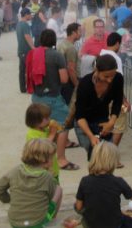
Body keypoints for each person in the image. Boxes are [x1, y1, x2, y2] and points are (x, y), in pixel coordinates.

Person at [27, 29, 78, 172]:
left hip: (36, 96)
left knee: (42, 126)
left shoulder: (33, 54)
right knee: (63, 125)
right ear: (53, 40)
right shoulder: (56, 56)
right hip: (52, 97)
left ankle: (40, 156)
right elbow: (64, 79)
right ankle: (61, 159)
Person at [0, 138, 63, 228]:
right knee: (58, 189)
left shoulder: (16, 170)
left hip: (15, 222)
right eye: (52, 157)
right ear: (45, 160)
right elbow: (50, 197)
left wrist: (9, 200)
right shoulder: (47, 177)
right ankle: (52, 217)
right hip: (37, 223)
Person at [75, 141, 132, 228]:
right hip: (114, 224)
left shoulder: (85, 181)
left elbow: (79, 207)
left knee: (80, 207)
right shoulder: (118, 181)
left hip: (91, 225)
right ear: (114, 161)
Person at [74, 54, 124, 159]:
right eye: (106, 76)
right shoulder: (85, 84)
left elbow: (117, 102)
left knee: (105, 156)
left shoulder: (118, 78)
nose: (110, 80)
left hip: (102, 120)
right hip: (84, 123)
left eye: (112, 75)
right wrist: (91, 136)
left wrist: (111, 122)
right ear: (97, 70)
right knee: (94, 156)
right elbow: (80, 115)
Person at [25, 102, 62, 181]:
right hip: (43, 171)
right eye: (47, 118)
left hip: (52, 166)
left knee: (55, 185)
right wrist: (52, 134)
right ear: (37, 121)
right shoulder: (32, 134)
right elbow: (43, 148)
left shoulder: (45, 129)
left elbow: (53, 143)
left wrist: (56, 134)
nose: (50, 120)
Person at [17, 7, 34, 93]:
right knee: (28, 70)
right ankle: (30, 87)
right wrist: (33, 48)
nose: (31, 16)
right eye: (30, 14)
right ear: (26, 15)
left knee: (22, 70)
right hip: (26, 50)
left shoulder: (19, 24)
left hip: (20, 50)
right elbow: (27, 36)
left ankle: (22, 88)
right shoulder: (25, 25)